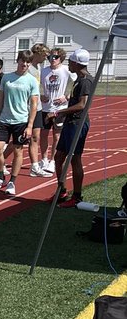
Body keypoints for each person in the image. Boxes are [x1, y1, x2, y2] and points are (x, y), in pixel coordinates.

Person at [0, 49, 39, 196]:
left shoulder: (32, 81)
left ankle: (12, 182)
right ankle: (1, 177)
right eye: (23, 61)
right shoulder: (7, 78)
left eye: (28, 62)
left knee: (17, 151)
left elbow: (33, 105)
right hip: (4, 119)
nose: (25, 64)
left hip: (21, 121)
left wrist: (29, 126)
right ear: (18, 60)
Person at [55, 48, 92, 207]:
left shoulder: (85, 81)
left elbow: (82, 105)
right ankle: (61, 191)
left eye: (70, 61)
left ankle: (77, 196)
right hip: (71, 122)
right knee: (58, 157)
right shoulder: (78, 79)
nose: (68, 64)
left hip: (77, 124)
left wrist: (61, 111)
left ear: (76, 63)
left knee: (75, 159)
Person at [33, 49, 71, 176]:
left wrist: (66, 96)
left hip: (59, 109)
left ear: (61, 58)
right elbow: (35, 85)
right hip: (45, 108)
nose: (53, 59)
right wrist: (40, 95)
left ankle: (53, 161)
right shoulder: (44, 71)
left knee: (56, 136)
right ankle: (44, 159)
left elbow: (76, 84)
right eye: (50, 57)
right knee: (43, 135)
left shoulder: (66, 70)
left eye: (56, 57)